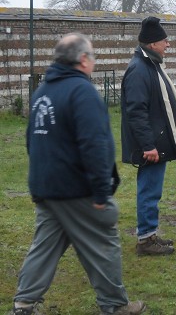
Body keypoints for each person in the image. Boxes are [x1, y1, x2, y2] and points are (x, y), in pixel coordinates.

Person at [12, 33, 145, 314]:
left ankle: (24, 304)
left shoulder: (42, 92)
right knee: (103, 241)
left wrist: (42, 179)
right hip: (77, 188)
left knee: (45, 247)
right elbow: (94, 144)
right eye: (93, 56)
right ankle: (114, 305)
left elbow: (30, 141)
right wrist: (100, 191)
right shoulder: (81, 91)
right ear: (83, 59)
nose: (94, 61)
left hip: (46, 188)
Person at [121, 16, 176, 256]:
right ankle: (145, 241)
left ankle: (149, 235)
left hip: (157, 142)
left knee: (153, 190)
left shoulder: (150, 65)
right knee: (149, 190)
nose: (168, 44)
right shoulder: (139, 69)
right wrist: (148, 145)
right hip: (151, 146)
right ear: (152, 44)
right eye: (164, 40)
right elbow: (136, 112)